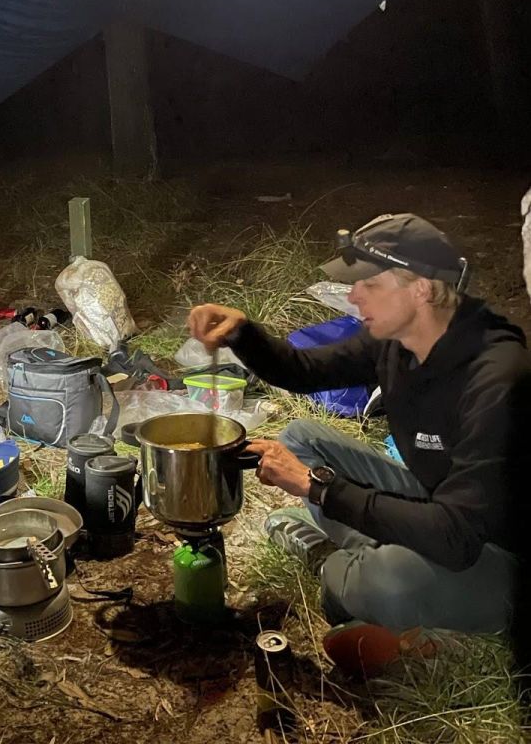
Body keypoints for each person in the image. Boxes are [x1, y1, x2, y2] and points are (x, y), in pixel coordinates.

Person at [189, 213, 527, 676]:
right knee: (301, 437)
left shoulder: (497, 378)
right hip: (440, 508)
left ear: (421, 289)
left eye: (368, 284)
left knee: (390, 579)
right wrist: (241, 333)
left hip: (499, 554)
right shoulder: (397, 342)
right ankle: (380, 564)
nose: (352, 295)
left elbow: (455, 538)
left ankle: (332, 562)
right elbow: (302, 372)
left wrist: (319, 490)